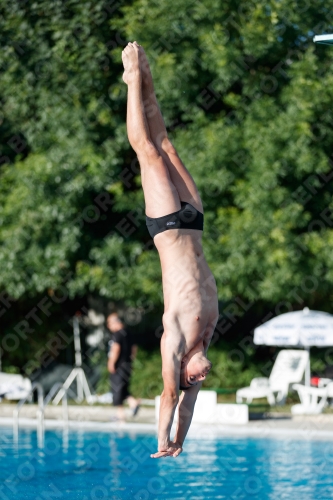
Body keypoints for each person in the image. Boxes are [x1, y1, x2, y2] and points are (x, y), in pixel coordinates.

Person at [122, 42, 219, 458]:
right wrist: (182, 439)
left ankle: (131, 82)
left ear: (182, 371)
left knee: (146, 152)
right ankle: (147, 74)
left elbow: (170, 398)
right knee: (167, 145)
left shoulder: (176, 341)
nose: (201, 380)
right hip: (194, 224)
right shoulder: (207, 341)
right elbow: (189, 408)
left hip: (167, 227)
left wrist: (163, 442)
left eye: (193, 381)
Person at [107, 313, 140, 422]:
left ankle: (120, 414)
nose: (109, 326)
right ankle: (133, 403)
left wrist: (112, 362)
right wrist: (130, 360)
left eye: (109, 323)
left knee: (117, 388)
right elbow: (134, 348)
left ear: (115, 322)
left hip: (119, 365)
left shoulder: (117, 334)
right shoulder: (128, 333)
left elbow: (116, 348)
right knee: (124, 387)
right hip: (127, 364)